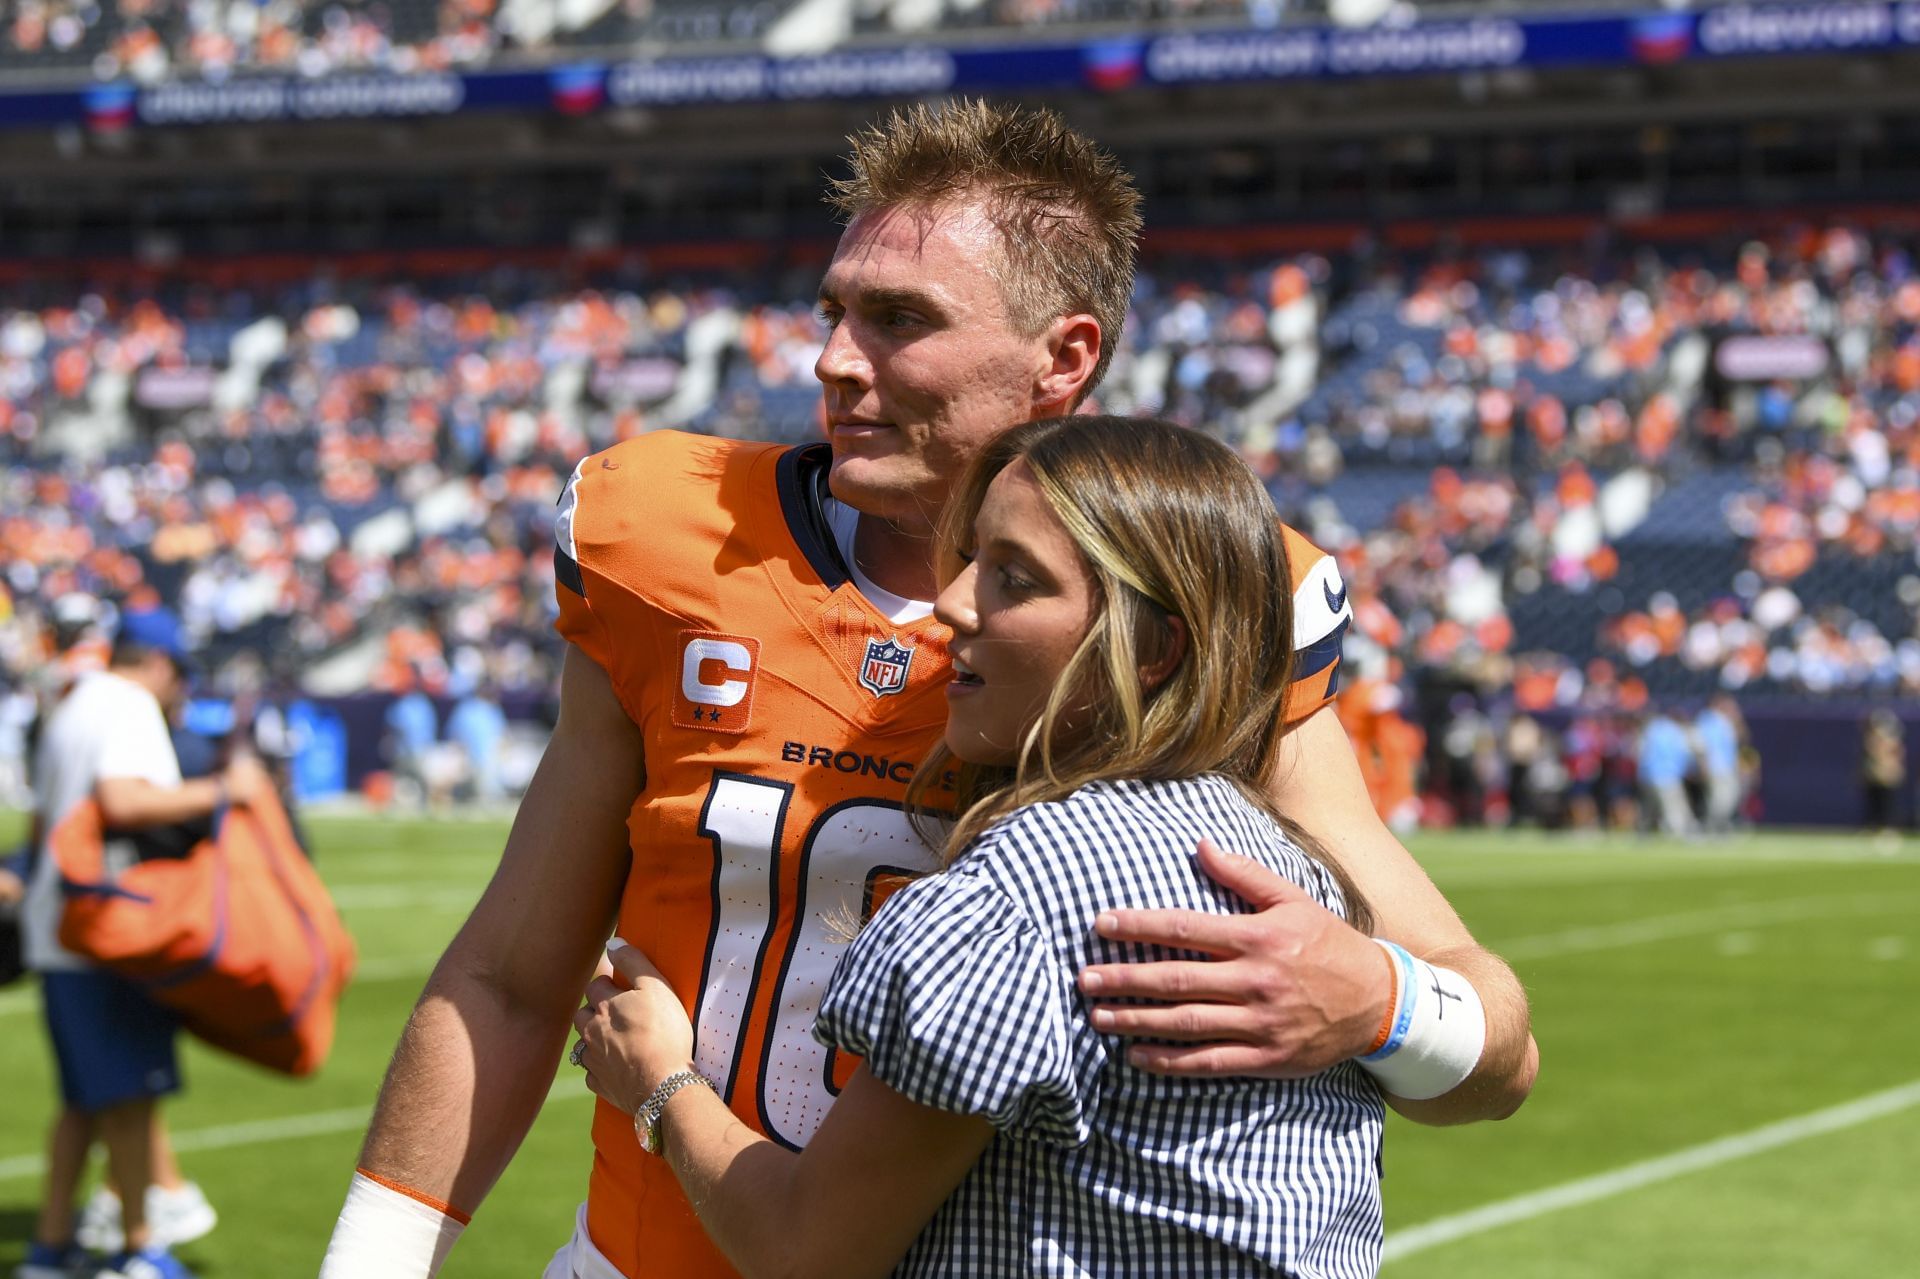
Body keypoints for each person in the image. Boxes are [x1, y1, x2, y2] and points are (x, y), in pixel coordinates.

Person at [322, 100, 1535, 1279]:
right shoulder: (668, 540)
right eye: (834, 310)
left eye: (900, 318)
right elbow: (511, 977)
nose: (836, 360)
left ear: (1064, 356)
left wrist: (1379, 1000)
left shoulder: (1208, 597)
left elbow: (1497, 1044)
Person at [569, 416, 1422, 1276]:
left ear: (1154, 646)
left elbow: (807, 1252)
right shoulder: (1287, 860)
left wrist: (660, 1086)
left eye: (1014, 578)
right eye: (972, 558)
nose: (952, 601)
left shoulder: (1010, 898)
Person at [19, 613, 266, 1279]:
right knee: (130, 1099)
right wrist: (226, 789)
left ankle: (49, 1246)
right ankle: (137, 1249)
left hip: (62, 924)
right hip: (108, 928)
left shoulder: (75, 703)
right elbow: (124, 801)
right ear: (157, 663)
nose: (178, 691)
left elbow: (43, 820)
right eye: (178, 675)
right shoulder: (128, 706)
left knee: (83, 1101)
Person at [1636, 710, 1696, 838]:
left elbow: (1641, 754)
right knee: (1673, 806)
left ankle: (1642, 831)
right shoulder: (1675, 731)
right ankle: (1678, 832)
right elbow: (1684, 753)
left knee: (1650, 806)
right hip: (1669, 774)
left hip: (1649, 775)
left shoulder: (1650, 730)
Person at [1691, 695, 1744, 836]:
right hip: (1715, 766)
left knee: (1729, 796)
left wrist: (1735, 719)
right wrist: (1703, 764)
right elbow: (1700, 745)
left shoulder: (1726, 721)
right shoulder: (1707, 719)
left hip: (1726, 766)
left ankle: (1717, 825)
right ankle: (1711, 826)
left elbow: (1741, 737)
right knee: (1719, 798)